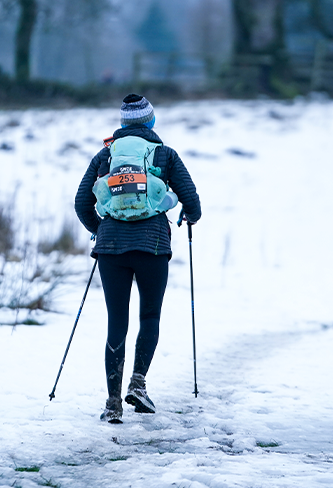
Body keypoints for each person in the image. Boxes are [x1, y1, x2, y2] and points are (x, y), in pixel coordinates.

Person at [74, 94, 201, 423]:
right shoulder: (165, 154)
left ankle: (113, 403)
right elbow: (192, 201)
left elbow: (80, 202)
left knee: (116, 322)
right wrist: (188, 214)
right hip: (153, 246)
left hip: (111, 248)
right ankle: (138, 384)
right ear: (151, 122)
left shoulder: (105, 155)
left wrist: (99, 228)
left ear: (122, 125)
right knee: (150, 317)